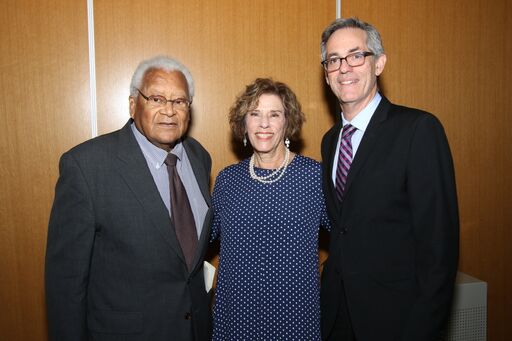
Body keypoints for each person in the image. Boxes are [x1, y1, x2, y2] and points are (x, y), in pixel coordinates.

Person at [45, 56, 213, 340]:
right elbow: (65, 285)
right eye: (156, 99)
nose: (169, 111)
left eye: (179, 101)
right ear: (134, 104)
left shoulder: (199, 158)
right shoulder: (87, 166)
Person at [319, 18, 459, 341]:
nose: (344, 68)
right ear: (326, 74)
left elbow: (439, 250)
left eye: (356, 56)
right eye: (334, 60)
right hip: (337, 319)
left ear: (379, 63)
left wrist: (422, 329)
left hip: (398, 321)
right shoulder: (330, 142)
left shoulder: (418, 130)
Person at [210, 78, 330, 340]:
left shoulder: (313, 177)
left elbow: (349, 236)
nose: (264, 124)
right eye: (255, 114)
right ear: (244, 123)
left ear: (288, 123)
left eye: (274, 114)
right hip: (237, 317)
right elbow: (198, 242)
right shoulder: (227, 180)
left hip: (296, 317)